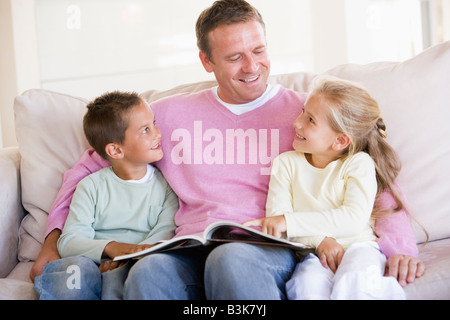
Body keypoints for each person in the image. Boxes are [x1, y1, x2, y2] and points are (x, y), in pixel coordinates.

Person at [30, 0, 423, 299]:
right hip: (185, 244)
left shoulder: (310, 115)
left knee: (229, 258)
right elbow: (87, 168)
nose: (252, 67)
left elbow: (374, 171)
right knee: (147, 273)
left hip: (265, 246)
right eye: (234, 58)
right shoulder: (165, 116)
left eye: (258, 50)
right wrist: (51, 241)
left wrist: (399, 247)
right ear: (206, 61)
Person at [244, 76, 411, 299]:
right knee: (306, 286)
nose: (297, 122)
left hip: (360, 246)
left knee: (355, 281)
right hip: (315, 252)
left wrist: (289, 221)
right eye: (303, 112)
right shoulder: (285, 164)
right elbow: (278, 224)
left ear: (340, 141)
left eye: (310, 120)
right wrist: (320, 241)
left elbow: (353, 219)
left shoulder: (359, 163)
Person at [34, 91, 178, 299]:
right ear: (116, 151)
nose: (158, 133)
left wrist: (133, 256)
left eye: (154, 123)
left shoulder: (166, 185)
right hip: (93, 263)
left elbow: (165, 232)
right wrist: (113, 249)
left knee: (136, 272)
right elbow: (69, 241)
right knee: (76, 271)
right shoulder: (90, 187)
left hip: (140, 262)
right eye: (146, 130)